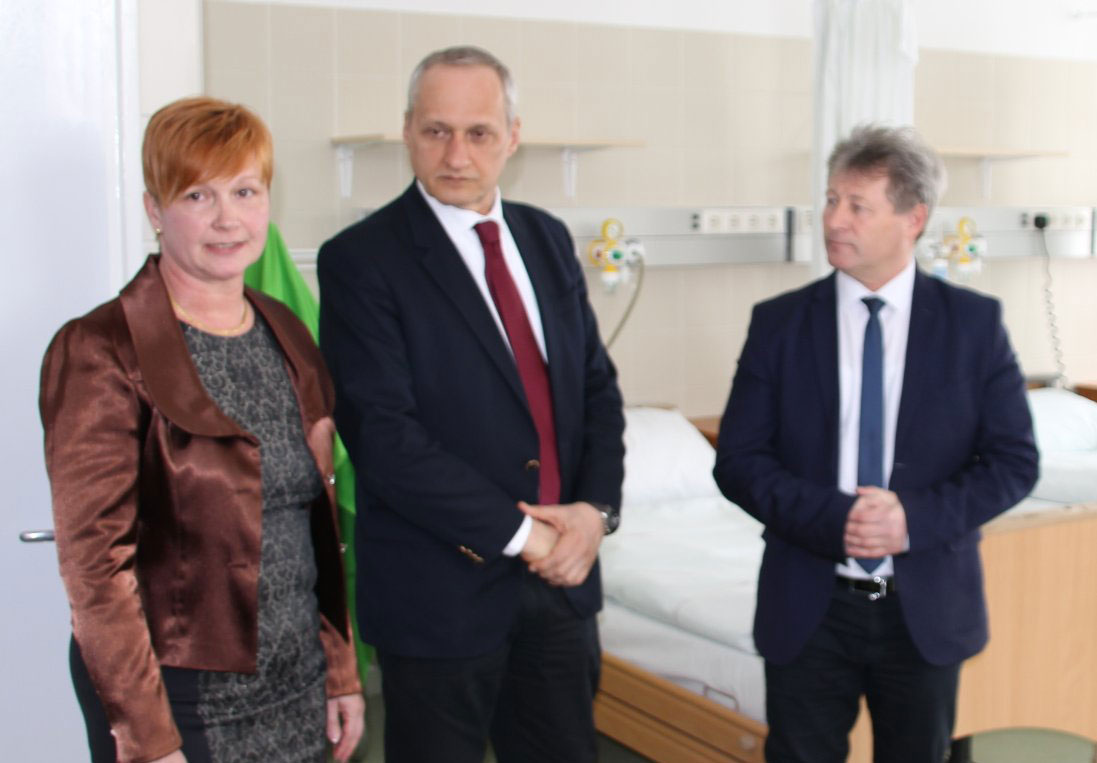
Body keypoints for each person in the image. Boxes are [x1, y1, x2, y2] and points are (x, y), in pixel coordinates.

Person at [317, 46, 625, 763]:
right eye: (436, 131)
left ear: (512, 137)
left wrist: (595, 513)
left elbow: (597, 391)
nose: (456, 154)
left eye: (479, 132)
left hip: (560, 593)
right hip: (438, 599)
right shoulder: (362, 260)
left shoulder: (546, 240)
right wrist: (527, 537)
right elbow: (384, 439)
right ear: (407, 130)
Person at [39, 96, 365, 763]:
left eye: (245, 191)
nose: (227, 218)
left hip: (296, 684)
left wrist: (340, 669)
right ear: (155, 210)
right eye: (197, 195)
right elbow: (96, 570)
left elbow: (316, 521)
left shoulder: (286, 330)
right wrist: (147, 739)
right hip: (175, 700)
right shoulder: (101, 349)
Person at [713, 124, 1039, 762]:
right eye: (831, 200)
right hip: (809, 603)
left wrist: (911, 520)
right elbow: (739, 462)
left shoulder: (972, 325)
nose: (834, 219)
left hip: (926, 609)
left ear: (913, 218)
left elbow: (1014, 463)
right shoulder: (780, 324)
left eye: (858, 206)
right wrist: (837, 519)